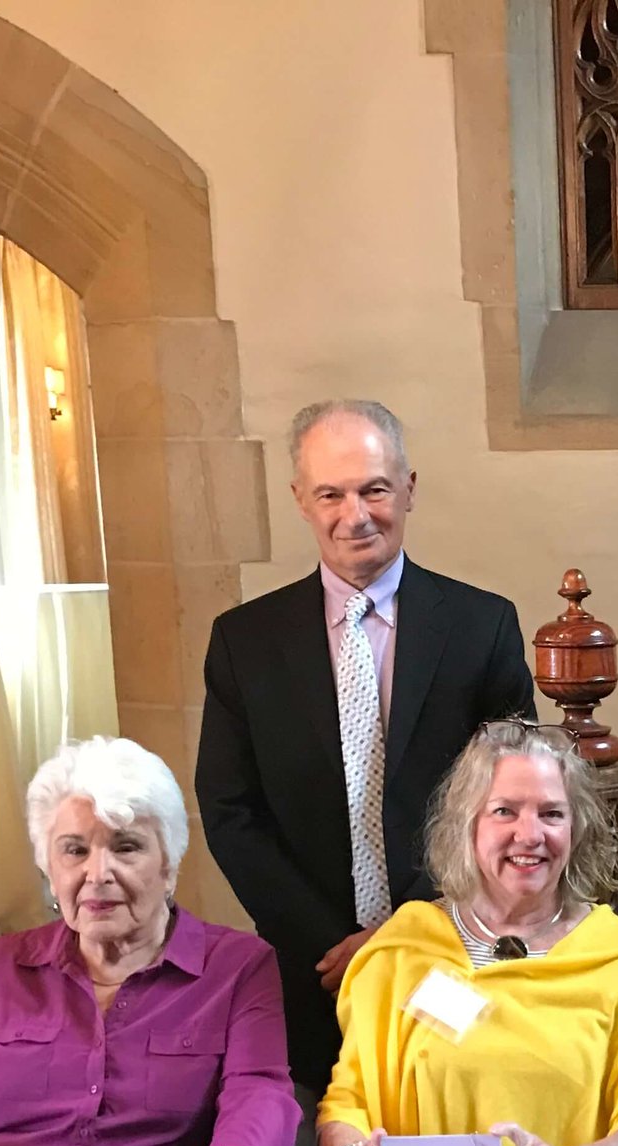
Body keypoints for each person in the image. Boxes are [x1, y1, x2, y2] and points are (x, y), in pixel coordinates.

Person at [196, 399, 538, 1093]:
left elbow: (513, 797)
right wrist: (329, 942)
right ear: (301, 499)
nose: (356, 513)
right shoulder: (245, 642)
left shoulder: (482, 626)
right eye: (332, 493)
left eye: (375, 488)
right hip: (308, 967)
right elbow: (229, 808)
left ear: (409, 487)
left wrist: (406, 927)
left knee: (453, 1144)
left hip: (454, 951)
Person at [0, 738, 299, 1146]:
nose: (97, 873)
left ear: (169, 866)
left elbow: (260, 1093)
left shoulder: (237, 966)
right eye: (74, 850)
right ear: (49, 868)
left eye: (126, 847)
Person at [319, 721, 618, 1146]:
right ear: (468, 826)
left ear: (575, 830)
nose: (529, 834)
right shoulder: (401, 951)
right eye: (504, 811)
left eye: (551, 813)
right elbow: (347, 1102)